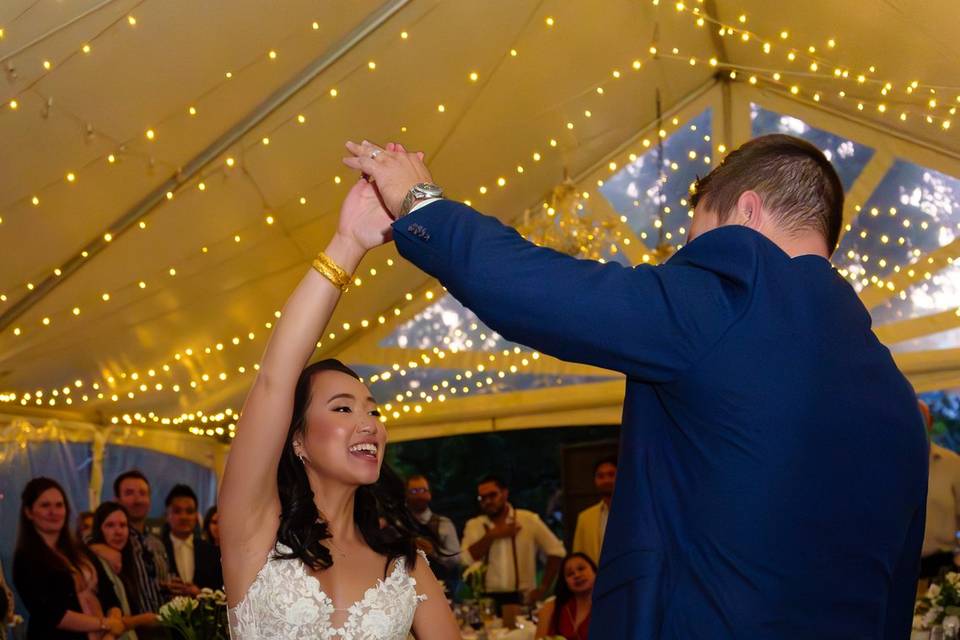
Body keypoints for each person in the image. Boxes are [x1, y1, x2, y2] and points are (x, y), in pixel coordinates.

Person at [343, 135, 928, 639]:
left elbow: (540, 290)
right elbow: (896, 594)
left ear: (746, 213)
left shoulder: (729, 296)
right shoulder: (898, 400)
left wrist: (422, 203)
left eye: (696, 232)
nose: (681, 258)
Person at [218, 167, 459, 638]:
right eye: (344, 408)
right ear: (298, 440)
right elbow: (274, 378)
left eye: (373, 410)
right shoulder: (253, 533)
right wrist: (347, 244)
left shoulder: (405, 564)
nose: (368, 423)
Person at [12, 477, 126, 639]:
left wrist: (111, 629)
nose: (54, 512)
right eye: (45, 505)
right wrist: (105, 624)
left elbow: (109, 593)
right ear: (29, 512)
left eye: (59, 505)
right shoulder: (25, 559)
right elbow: (53, 615)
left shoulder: (81, 550)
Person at [460, 475, 565, 611]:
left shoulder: (528, 520)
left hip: (522, 597)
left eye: (492, 495)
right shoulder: (474, 525)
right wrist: (492, 535)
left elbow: (556, 552)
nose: (488, 501)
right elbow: (465, 560)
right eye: (482, 498)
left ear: (505, 493)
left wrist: (543, 588)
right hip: (486, 599)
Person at [88, 502, 160, 639]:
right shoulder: (93, 563)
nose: (118, 532)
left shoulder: (124, 560)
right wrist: (143, 619)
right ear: (98, 529)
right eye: (110, 525)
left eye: (123, 525)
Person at [112, 470, 169, 640]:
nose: (137, 500)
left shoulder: (157, 543)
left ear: (150, 500)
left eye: (142, 493)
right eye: (129, 493)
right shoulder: (111, 541)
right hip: (128, 631)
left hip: (164, 627)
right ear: (117, 500)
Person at [919, 400, 960, 579]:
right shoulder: (892, 467)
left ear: (930, 422)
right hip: (901, 565)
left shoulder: (953, 464)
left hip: (942, 565)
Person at [161, 484, 223, 592]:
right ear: (167, 515)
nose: (184, 517)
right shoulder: (158, 550)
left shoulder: (211, 552)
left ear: (196, 516)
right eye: (177, 511)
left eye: (189, 511)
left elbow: (220, 592)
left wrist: (200, 594)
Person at [405, 474, 461, 595]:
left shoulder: (444, 524)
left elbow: (456, 559)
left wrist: (434, 552)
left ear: (429, 494)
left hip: (439, 587)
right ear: (406, 495)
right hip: (406, 589)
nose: (419, 495)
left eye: (423, 490)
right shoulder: (399, 525)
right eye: (414, 491)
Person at [535, 553, 596, 640]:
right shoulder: (550, 608)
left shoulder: (609, 605)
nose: (577, 575)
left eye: (581, 569)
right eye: (570, 574)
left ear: (595, 571)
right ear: (565, 582)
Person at [572, 457, 616, 565]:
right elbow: (579, 558)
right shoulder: (585, 518)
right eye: (600, 476)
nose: (606, 480)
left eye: (611, 475)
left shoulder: (636, 513)